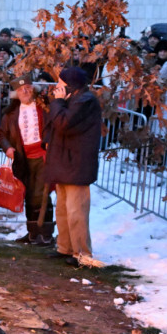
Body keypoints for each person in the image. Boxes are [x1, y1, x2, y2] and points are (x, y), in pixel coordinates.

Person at [44, 67, 103, 267]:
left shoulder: (86, 101)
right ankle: (65, 248)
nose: (57, 87)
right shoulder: (72, 99)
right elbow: (54, 124)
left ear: (70, 84)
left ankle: (82, 253)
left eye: (60, 83)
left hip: (77, 164)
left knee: (76, 211)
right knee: (62, 210)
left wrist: (58, 102)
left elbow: (64, 123)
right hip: (64, 162)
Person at [0, 76, 53, 245]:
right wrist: (8, 148)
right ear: (16, 93)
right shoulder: (11, 114)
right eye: (21, 89)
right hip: (22, 158)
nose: (25, 91)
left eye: (28, 87)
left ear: (33, 89)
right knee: (28, 194)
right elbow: (2, 134)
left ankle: (46, 234)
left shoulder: (44, 108)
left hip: (42, 156)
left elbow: (52, 127)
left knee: (42, 194)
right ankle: (33, 233)